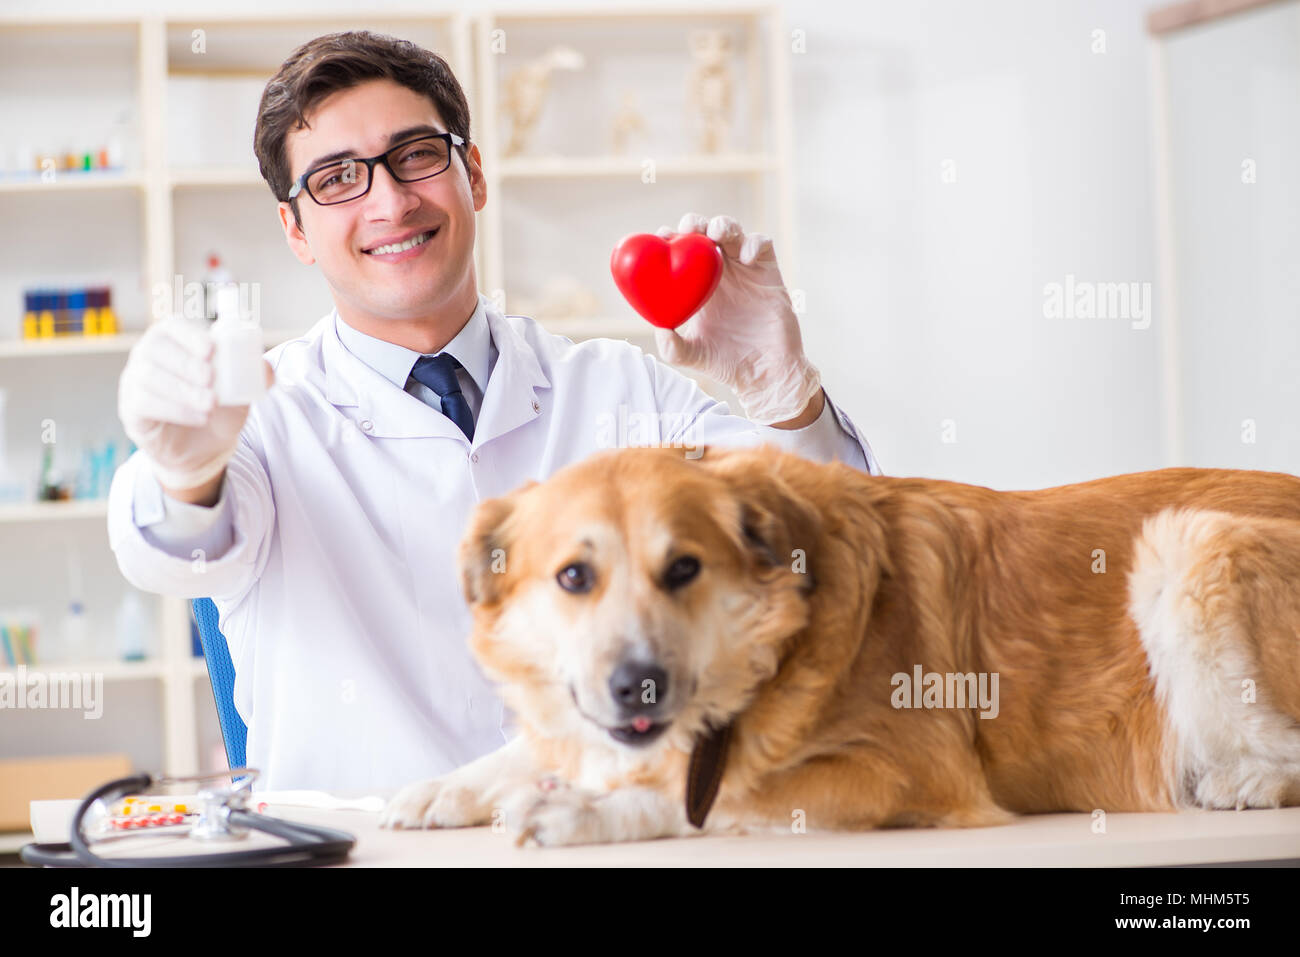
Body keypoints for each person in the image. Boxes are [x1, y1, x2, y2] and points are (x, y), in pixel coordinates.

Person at [109, 31, 880, 794]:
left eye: (415, 154)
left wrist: (783, 392)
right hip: (369, 852)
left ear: (472, 173)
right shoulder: (264, 415)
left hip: (604, 844)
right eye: (338, 178)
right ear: (295, 230)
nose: (390, 199)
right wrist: (186, 472)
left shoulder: (616, 388)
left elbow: (828, 561)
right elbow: (175, 551)